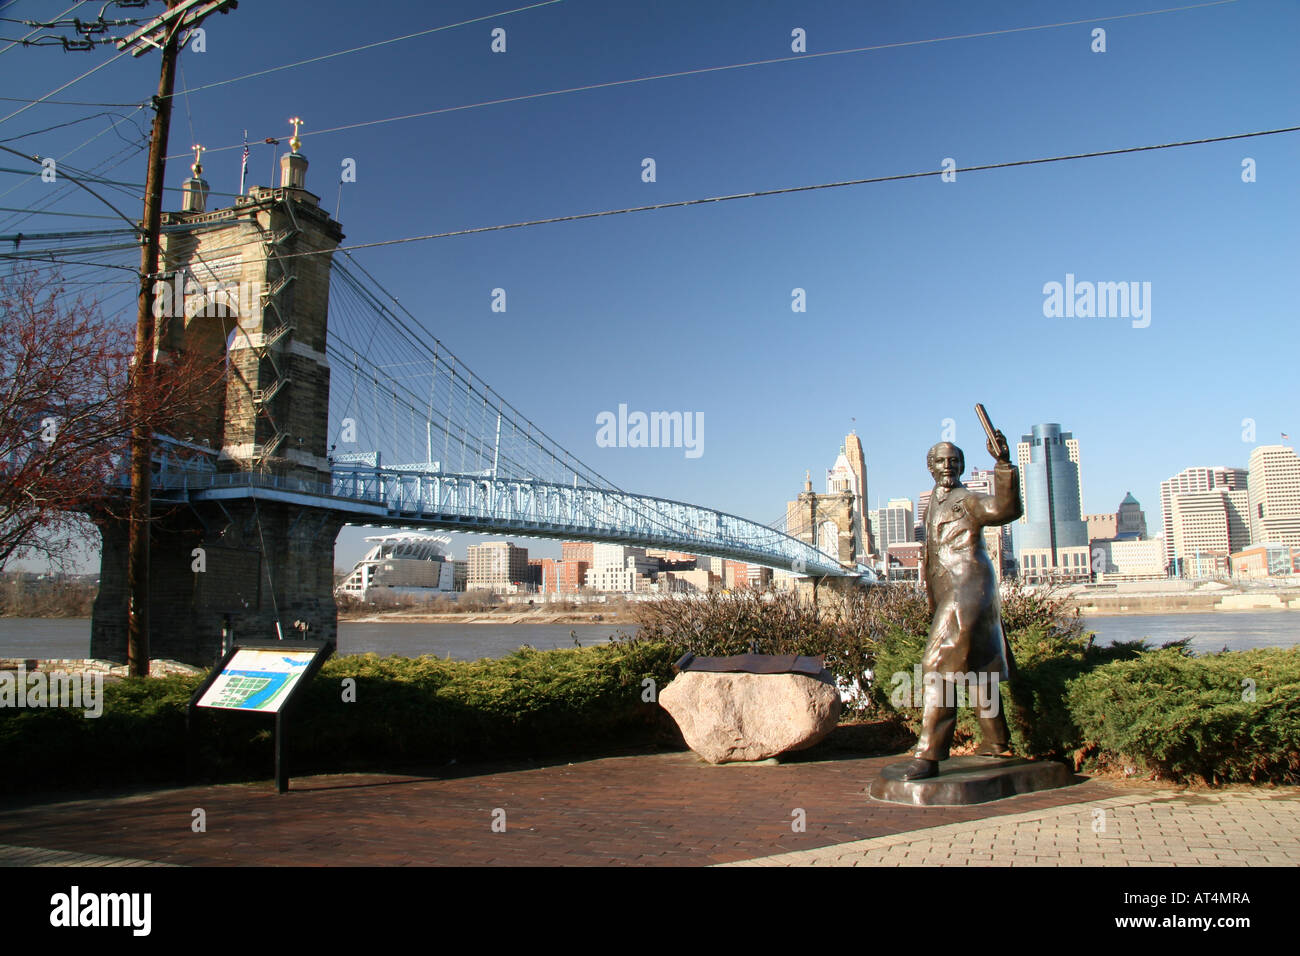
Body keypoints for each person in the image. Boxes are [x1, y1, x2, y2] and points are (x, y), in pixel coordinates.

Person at [897, 431, 1022, 781]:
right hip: (954, 591)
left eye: (954, 460)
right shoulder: (933, 502)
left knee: (936, 664)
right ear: (930, 468)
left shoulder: (967, 500)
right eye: (940, 461)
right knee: (979, 667)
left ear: (962, 465)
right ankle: (997, 742)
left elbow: (1006, 508)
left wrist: (1003, 464)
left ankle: (930, 754)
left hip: (969, 586)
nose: (947, 466)